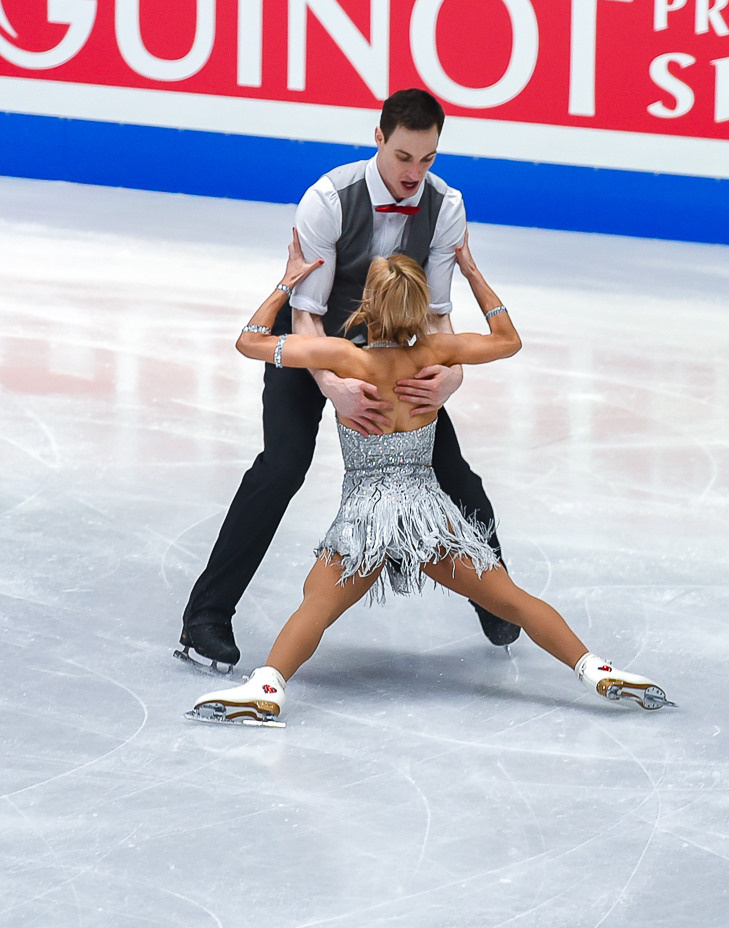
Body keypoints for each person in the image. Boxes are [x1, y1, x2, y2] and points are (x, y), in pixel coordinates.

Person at [188, 233, 675, 724]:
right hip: (429, 519)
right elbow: (509, 339)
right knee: (514, 601)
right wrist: (470, 270)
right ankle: (596, 668)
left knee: (317, 600)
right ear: (420, 306)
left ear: (366, 305)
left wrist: (286, 284)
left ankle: (268, 686)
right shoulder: (437, 353)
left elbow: (249, 341)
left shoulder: (341, 357)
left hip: (367, 520)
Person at [178, 88, 520, 671]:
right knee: (281, 467)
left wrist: (449, 379)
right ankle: (206, 617)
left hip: (394, 351)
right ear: (379, 138)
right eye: (404, 157)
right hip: (317, 345)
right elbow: (308, 310)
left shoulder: (446, 205)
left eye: (428, 159)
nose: (415, 172)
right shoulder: (329, 199)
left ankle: (497, 597)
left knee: (454, 472)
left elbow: (437, 315)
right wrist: (331, 384)